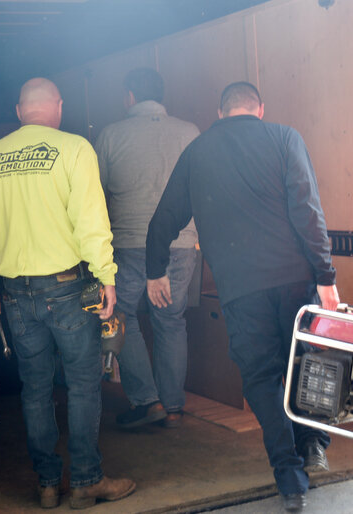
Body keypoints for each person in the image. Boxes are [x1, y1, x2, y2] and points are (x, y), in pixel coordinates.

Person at [146, 81, 337, 512]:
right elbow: (307, 210)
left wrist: (155, 269)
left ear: (219, 112)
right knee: (308, 364)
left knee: (261, 378)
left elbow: (164, 217)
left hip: (240, 288)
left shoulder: (197, 152)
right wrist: (326, 275)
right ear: (260, 108)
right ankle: (313, 443)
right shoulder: (284, 137)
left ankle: (289, 477)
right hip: (295, 280)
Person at [0, 77, 136, 509]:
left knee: (35, 389)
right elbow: (90, 220)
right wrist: (106, 275)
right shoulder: (75, 149)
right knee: (81, 387)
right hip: (67, 289)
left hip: (16, 295)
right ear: (57, 108)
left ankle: (46, 486)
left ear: (20, 111)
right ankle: (85, 482)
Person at [94, 68, 200, 429]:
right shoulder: (189, 132)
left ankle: (147, 400)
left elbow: (97, 193)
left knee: (119, 315)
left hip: (130, 242)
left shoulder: (110, 135)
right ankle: (173, 407)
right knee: (171, 320)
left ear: (129, 97)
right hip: (181, 242)